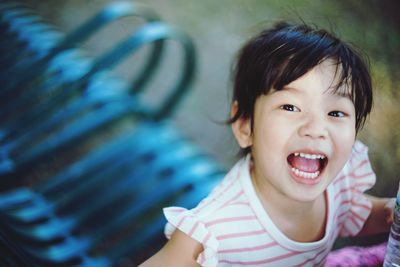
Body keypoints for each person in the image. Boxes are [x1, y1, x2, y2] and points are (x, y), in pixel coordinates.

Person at [140, 21, 394, 267]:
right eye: (290, 107)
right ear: (245, 126)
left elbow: (350, 213)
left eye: (336, 113)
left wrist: (387, 213)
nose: (316, 129)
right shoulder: (215, 233)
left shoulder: (339, 182)